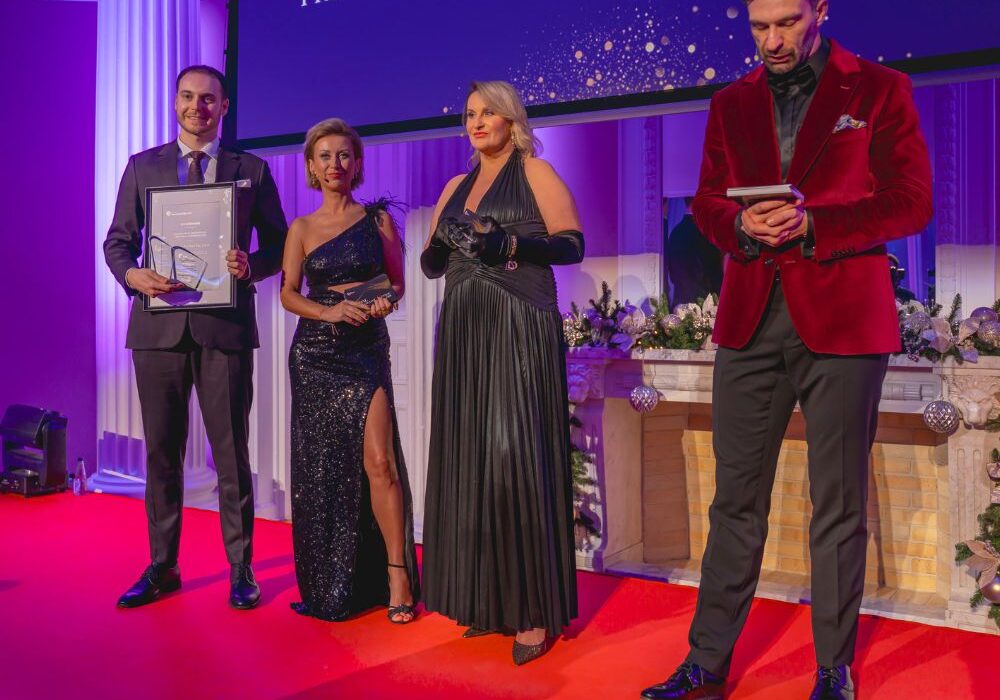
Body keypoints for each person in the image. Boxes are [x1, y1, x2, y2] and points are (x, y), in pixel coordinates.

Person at [640, 1, 932, 698]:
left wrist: (814, 225)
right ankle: (707, 662)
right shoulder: (730, 101)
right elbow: (706, 202)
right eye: (759, 26)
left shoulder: (880, 89)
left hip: (844, 320)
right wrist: (740, 225)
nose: (771, 40)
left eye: (787, 23)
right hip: (750, 319)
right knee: (734, 500)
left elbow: (912, 200)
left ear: (819, 11)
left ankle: (833, 668)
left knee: (838, 503)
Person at [104, 65, 289, 610]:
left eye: (208, 99)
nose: (196, 107)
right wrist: (133, 276)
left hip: (224, 329)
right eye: (187, 96)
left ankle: (241, 568)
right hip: (157, 329)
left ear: (223, 107)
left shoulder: (251, 170)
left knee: (231, 453)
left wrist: (251, 266)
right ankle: (163, 566)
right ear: (175, 102)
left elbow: (280, 244)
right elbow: (117, 243)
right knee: (162, 454)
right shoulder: (142, 167)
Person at [420, 80, 584, 665]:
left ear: (512, 119)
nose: (477, 121)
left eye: (488, 111)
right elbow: (433, 263)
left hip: (519, 325)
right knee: (472, 460)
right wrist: (438, 249)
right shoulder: (454, 187)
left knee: (518, 457)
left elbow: (572, 245)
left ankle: (533, 610)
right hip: (465, 331)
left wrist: (510, 243)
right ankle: (486, 600)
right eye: (470, 113)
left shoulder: (535, 171)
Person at [279, 118, 419, 624]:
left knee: (380, 463)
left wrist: (384, 302)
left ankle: (397, 576)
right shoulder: (300, 228)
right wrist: (330, 311)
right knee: (324, 472)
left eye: (343, 155)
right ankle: (331, 581)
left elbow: (397, 283)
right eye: (325, 156)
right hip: (315, 356)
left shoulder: (377, 220)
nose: (334, 163)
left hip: (364, 352)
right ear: (312, 167)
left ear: (356, 163)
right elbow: (287, 293)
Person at [665, 197, 724, 305]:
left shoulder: (675, 233)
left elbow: (672, 274)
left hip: (680, 302)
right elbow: (714, 273)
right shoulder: (705, 233)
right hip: (703, 305)